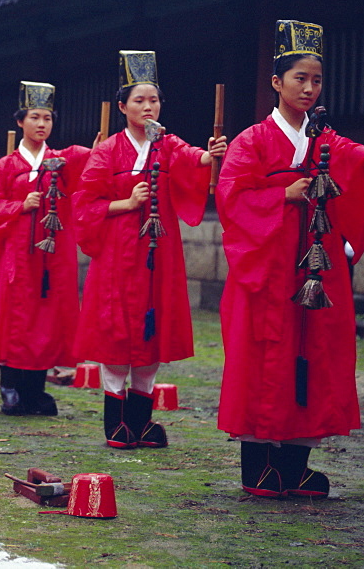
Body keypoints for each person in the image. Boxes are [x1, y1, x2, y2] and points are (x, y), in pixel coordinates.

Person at [216, 20, 364, 498]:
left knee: (315, 356)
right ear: (276, 83)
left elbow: (356, 160)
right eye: (299, 78)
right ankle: (257, 464)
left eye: (316, 80)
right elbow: (231, 198)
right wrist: (283, 194)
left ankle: (294, 463)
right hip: (270, 268)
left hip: (315, 269)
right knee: (266, 357)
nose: (308, 87)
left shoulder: (325, 139)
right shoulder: (253, 141)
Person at [74, 51, 226, 449]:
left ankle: (141, 421)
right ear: (123, 106)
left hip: (158, 256)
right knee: (117, 332)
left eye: (153, 100)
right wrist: (126, 203)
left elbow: (196, 161)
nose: (147, 107)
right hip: (118, 256)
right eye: (139, 100)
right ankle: (115, 422)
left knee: (151, 330)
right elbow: (84, 204)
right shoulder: (107, 150)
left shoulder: (168, 143)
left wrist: (212, 154)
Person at [0, 82, 98, 416]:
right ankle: (11, 388)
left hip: (51, 256)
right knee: (16, 320)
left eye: (46, 118)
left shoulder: (61, 161)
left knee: (46, 321)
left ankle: (37, 391)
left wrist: (99, 151)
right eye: (35, 117)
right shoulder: (5, 166)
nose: (41, 124)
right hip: (18, 256)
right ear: (21, 121)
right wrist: (19, 205)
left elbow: (91, 168)